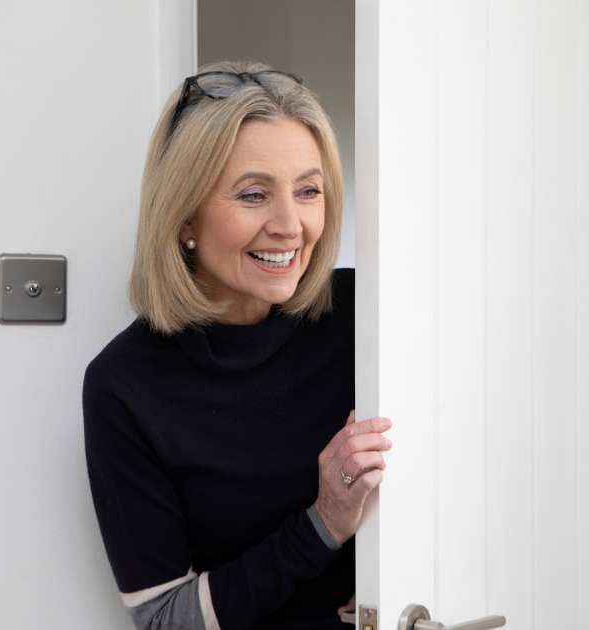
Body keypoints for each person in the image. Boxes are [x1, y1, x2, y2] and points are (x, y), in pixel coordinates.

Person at [82, 61, 394, 630]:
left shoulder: (367, 314)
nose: (290, 225)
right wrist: (324, 522)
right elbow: (163, 619)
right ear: (183, 218)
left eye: (308, 191)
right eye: (254, 194)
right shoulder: (124, 384)